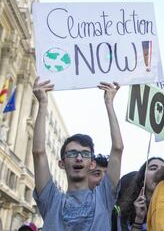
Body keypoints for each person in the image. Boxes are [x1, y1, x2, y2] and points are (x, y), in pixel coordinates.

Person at [32, 78, 124, 230]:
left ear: (92, 164)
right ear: (61, 163)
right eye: (72, 153)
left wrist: (109, 103)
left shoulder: (104, 197)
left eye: (85, 154)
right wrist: (42, 104)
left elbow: (118, 148)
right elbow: (38, 153)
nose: (79, 158)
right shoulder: (51, 200)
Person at [115, 157, 164, 230]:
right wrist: (138, 220)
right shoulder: (125, 213)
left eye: (163, 170)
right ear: (143, 179)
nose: (159, 172)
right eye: (153, 168)